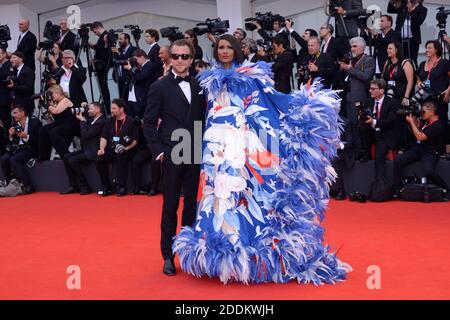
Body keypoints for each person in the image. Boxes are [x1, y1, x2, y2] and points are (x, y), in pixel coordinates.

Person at [172, 34, 351, 284]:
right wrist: (189, 150)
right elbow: (200, 116)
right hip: (214, 151)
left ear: (236, 50)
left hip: (239, 148)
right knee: (217, 197)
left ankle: (245, 254)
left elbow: (272, 101)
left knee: (240, 197)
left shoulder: (249, 76)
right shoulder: (207, 80)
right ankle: (221, 253)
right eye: (220, 47)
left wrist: (309, 106)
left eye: (228, 47)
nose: (224, 51)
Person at [143, 39, 206, 276]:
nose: (180, 60)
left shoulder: (201, 84)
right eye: (176, 56)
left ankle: (188, 253)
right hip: (172, 152)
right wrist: (159, 151)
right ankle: (168, 256)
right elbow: (148, 123)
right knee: (170, 206)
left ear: (191, 59)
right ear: (169, 58)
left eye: (185, 56)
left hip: (195, 151)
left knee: (191, 205)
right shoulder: (159, 87)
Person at [393, 101, 448, 199]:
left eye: (423, 111)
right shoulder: (427, 121)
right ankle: (398, 189)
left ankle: (445, 188)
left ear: (431, 111)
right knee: (398, 161)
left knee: (429, 172)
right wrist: (413, 118)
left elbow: (420, 137)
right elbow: (417, 128)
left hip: (431, 152)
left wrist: (411, 122)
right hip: (419, 149)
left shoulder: (437, 125)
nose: (421, 113)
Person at [339, 37, 375, 159]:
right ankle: (355, 150)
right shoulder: (351, 60)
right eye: (351, 46)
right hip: (348, 96)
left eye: (355, 46)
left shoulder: (368, 59)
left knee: (361, 125)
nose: (352, 49)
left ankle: (364, 152)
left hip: (360, 97)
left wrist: (350, 69)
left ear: (362, 47)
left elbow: (366, 76)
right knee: (352, 125)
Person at [61, 102, 106, 195]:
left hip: (94, 151)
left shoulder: (101, 121)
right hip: (87, 149)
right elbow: (87, 124)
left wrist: (82, 120)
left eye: (90, 109)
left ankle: (84, 186)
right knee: (66, 157)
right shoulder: (93, 120)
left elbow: (86, 135)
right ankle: (73, 185)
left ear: (97, 110)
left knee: (73, 160)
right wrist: (83, 112)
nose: (88, 111)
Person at [97, 98, 138, 196]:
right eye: (111, 108)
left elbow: (135, 141)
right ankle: (106, 186)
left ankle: (122, 187)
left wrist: (125, 148)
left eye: (114, 108)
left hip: (127, 149)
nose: (111, 110)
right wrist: (102, 149)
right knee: (100, 159)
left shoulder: (131, 121)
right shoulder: (109, 121)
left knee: (121, 156)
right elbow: (104, 137)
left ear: (121, 109)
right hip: (112, 148)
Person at [361, 79, 399, 180]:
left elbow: (390, 122)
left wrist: (373, 121)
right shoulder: (368, 101)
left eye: (373, 89)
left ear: (382, 90)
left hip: (384, 134)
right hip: (370, 133)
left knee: (379, 157)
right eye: (370, 88)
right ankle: (363, 153)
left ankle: (380, 183)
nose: (370, 91)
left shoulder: (392, 103)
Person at [0, 105, 41, 194]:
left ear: (23, 112)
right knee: (4, 159)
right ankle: (9, 183)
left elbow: (40, 139)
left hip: (31, 148)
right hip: (18, 149)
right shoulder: (14, 124)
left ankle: (27, 185)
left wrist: (26, 136)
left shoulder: (35, 122)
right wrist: (10, 135)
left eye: (15, 113)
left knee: (14, 159)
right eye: (13, 113)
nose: (13, 115)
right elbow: (12, 141)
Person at [382, 42, 415, 150]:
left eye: (390, 48)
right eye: (387, 48)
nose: (387, 50)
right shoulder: (387, 62)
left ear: (397, 50)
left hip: (401, 96)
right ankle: (393, 146)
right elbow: (383, 79)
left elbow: (410, 81)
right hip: (389, 96)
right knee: (391, 120)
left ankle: (404, 146)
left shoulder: (405, 62)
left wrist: (406, 97)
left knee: (401, 121)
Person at [38, 85, 79, 160]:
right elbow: (51, 116)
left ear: (57, 92)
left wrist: (46, 105)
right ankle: (43, 156)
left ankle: (66, 155)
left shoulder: (66, 100)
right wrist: (45, 104)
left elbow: (56, 111)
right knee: (43, 130)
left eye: (51, 94)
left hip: (70, 124)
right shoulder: (56, 102)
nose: (51, 96)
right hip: (59, 124)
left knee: (53, 133)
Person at [416, 40, 450, 122]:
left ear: (436, 50)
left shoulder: (444, 63)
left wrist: (448, 91)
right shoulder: (422, 64)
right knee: (425, 121)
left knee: (440, 122)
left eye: (429, 48)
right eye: (426, 48)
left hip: (439, 99)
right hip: (425, 98)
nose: (427, 50)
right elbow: (417, 77)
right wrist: (419, 83)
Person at [387, 0, 427, 67]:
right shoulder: (404, 5)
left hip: (412, 40)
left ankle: (412, 75)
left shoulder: (422, 9)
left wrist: (411, 11)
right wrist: (392, 2)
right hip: (399, 39)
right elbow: (390, 10)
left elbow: (418, 22)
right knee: (398, 59)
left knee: (412, 60)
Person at [124, 49, 159, 119]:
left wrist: (131, 69)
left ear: (142, 57)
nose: (135, 61)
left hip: (142, 99)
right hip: (134, 98)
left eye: (136, 59)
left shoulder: (150, 65)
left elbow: (140, 77)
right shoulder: (140, 67)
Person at [89, 22, 111, 113]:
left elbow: (103, 51)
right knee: (103, 87)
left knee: (104, 87)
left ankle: (106, 108)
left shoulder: (105, 36)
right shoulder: (103, 37)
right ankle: (105, 106)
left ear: (98, 28)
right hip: (101, 65)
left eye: (95, 32)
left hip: (103, 66)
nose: (95, 34)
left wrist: (93, 45)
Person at [7, 52, 35, 116]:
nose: (11, 60)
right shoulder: (13, 70)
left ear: (21, 59)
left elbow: (29, 87)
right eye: (11, 58)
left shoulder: (28, 71)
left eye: (14, 57)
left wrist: (14, 86)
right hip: (16, 104)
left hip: (25, 104)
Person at [111, 33, 136, 100]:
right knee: (122, 100)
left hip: (130, 79)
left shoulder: (133, 49)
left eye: (121, 39)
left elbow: (129, 60)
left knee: (130, 99)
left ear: (127, 39)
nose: (119, 41)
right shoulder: (119, 50)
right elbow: (115, 63)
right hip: (120, 79)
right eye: (118, 39)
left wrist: (119, 53)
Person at [0, 47, 13, 128]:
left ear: (5, 54)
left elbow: (8, 80)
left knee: (5, 121)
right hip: (1, 98)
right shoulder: (2, 65)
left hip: (5, 98)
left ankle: (8, 139)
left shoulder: (8, 65)